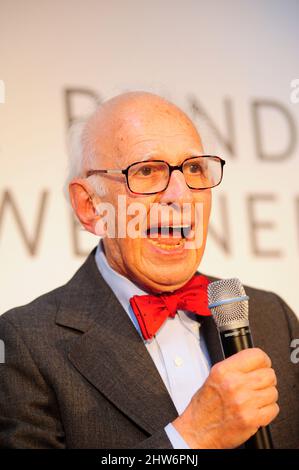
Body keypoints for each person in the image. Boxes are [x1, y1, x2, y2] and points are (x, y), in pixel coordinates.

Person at [0, 92, 298, 449]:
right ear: (90, 206)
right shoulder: (26, 345)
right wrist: (189, 439)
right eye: (146, 171)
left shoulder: (272, 316)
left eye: (194, 169)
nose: (181, 195)